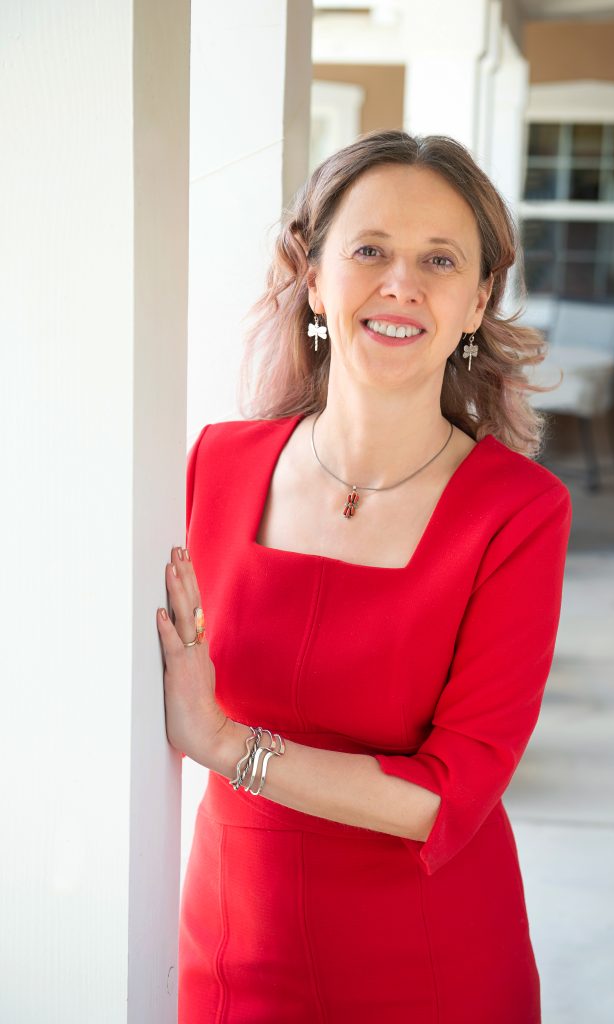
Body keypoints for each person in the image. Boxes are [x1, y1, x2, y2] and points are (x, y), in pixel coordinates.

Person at [156, 129, 572, 1023]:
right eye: (370, 249)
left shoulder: (519, 511)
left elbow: (451, 793)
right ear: (313, 274)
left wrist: (229, 746)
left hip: (430, 963)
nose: (401, 285)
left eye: (440, 260)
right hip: (230, 949)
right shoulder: (212, 467)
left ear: (478, 299)